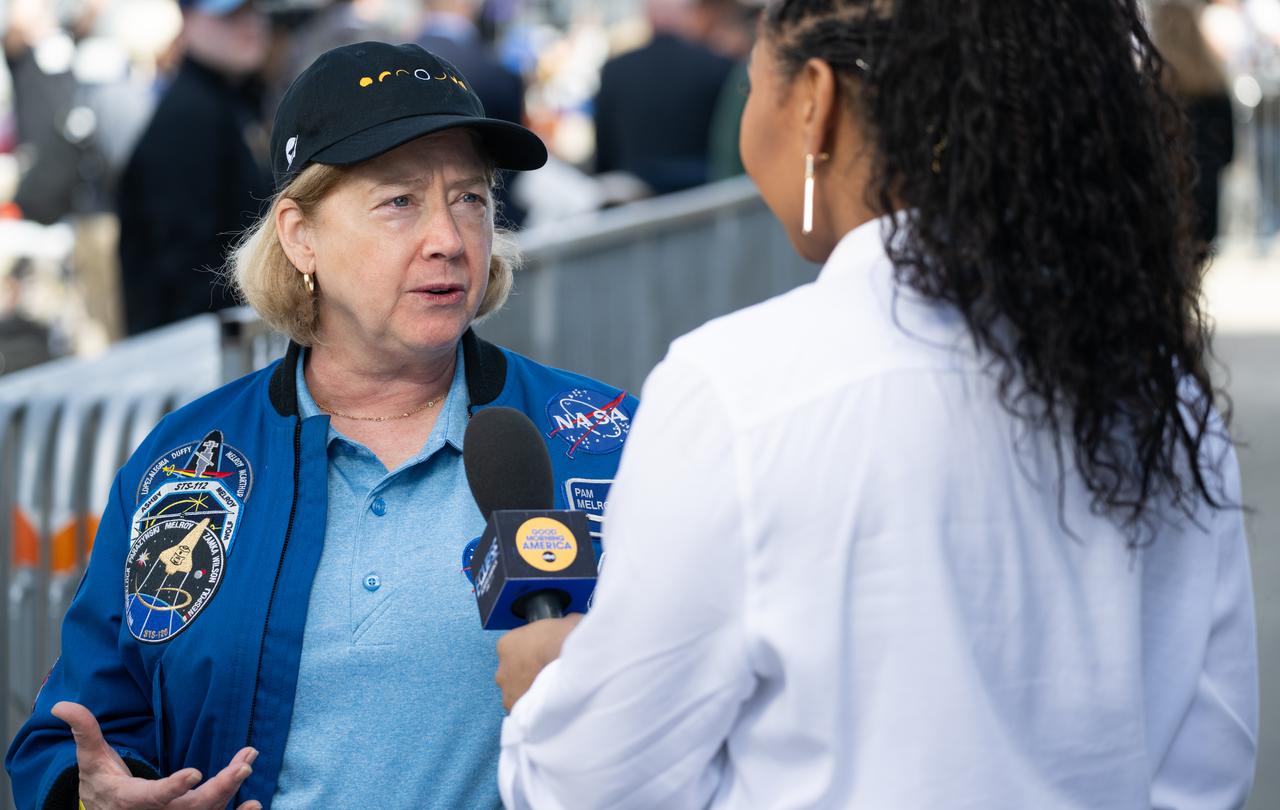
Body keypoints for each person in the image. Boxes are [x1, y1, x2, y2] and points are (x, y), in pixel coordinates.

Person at [495, 0, 1258, 808]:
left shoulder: (737, 390)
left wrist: (549, 688)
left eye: (755, 83)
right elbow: (1209, 763)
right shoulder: (1153, 386)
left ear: (814, 101)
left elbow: (595, 785)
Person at [5, 41, 638, 809]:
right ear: (300, 234)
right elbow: (75, 730)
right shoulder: (186, 463)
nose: (448, 236)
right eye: (400, 201)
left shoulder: (604, 440)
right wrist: (96, 793)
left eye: (470, 197)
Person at [116, 0, 272, 335]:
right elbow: (189, 269)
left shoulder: (229, 102)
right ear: (187, 21)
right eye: (230, 15)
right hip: (197, 352)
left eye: (253, 10)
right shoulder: (189, 118)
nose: (251, 24)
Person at [593, 0, 734, 195]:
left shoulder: (617, 69)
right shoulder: (717, 65)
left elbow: (604, 143)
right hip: (701, 193)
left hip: (636, 194)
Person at [1152, 1, 1236, 248]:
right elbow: (1228, 149)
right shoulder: (1214, 82)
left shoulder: (1152, 87)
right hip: (1205, 191)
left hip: (1166, 192)